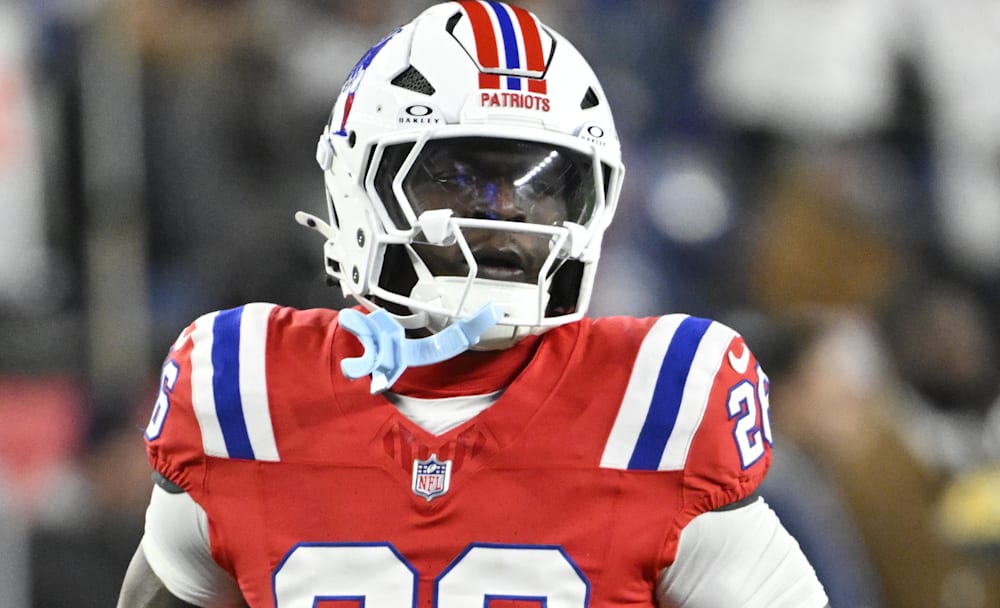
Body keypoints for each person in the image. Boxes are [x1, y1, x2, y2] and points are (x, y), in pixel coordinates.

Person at [117, 3, 829, 607]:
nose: (505, 215)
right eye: (456, 179)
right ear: (355, 182)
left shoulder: (660, 401)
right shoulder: (244, 390)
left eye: (541, 184)